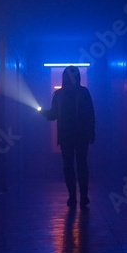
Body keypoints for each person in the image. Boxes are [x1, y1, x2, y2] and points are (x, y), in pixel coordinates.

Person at [40, 66, 95, 207]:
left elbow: (53, 115)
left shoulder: (59, 95)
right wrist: (91, 132)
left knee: (70, 166)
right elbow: (90, 114)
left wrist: (44, 113)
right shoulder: (83, 93)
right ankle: (81, 197)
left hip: (68, 136)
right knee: (79, 165)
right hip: (77, 135)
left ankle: (75, 197)